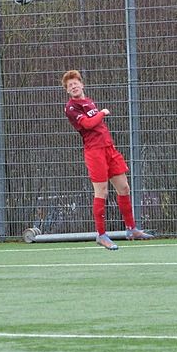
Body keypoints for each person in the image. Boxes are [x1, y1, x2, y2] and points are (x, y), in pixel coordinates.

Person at [62, 70, 152, 250]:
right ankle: (101, 235)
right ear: (67, 90)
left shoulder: (89, 101)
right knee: (101, 192)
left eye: (75, 83)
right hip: (94, 152)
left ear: (82, 84)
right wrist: (102, 112)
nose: (73, 86)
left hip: (109, 148)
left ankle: (131, 229)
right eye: (70, 85)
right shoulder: (71, 108)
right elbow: (88, 124)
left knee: (124, 187)